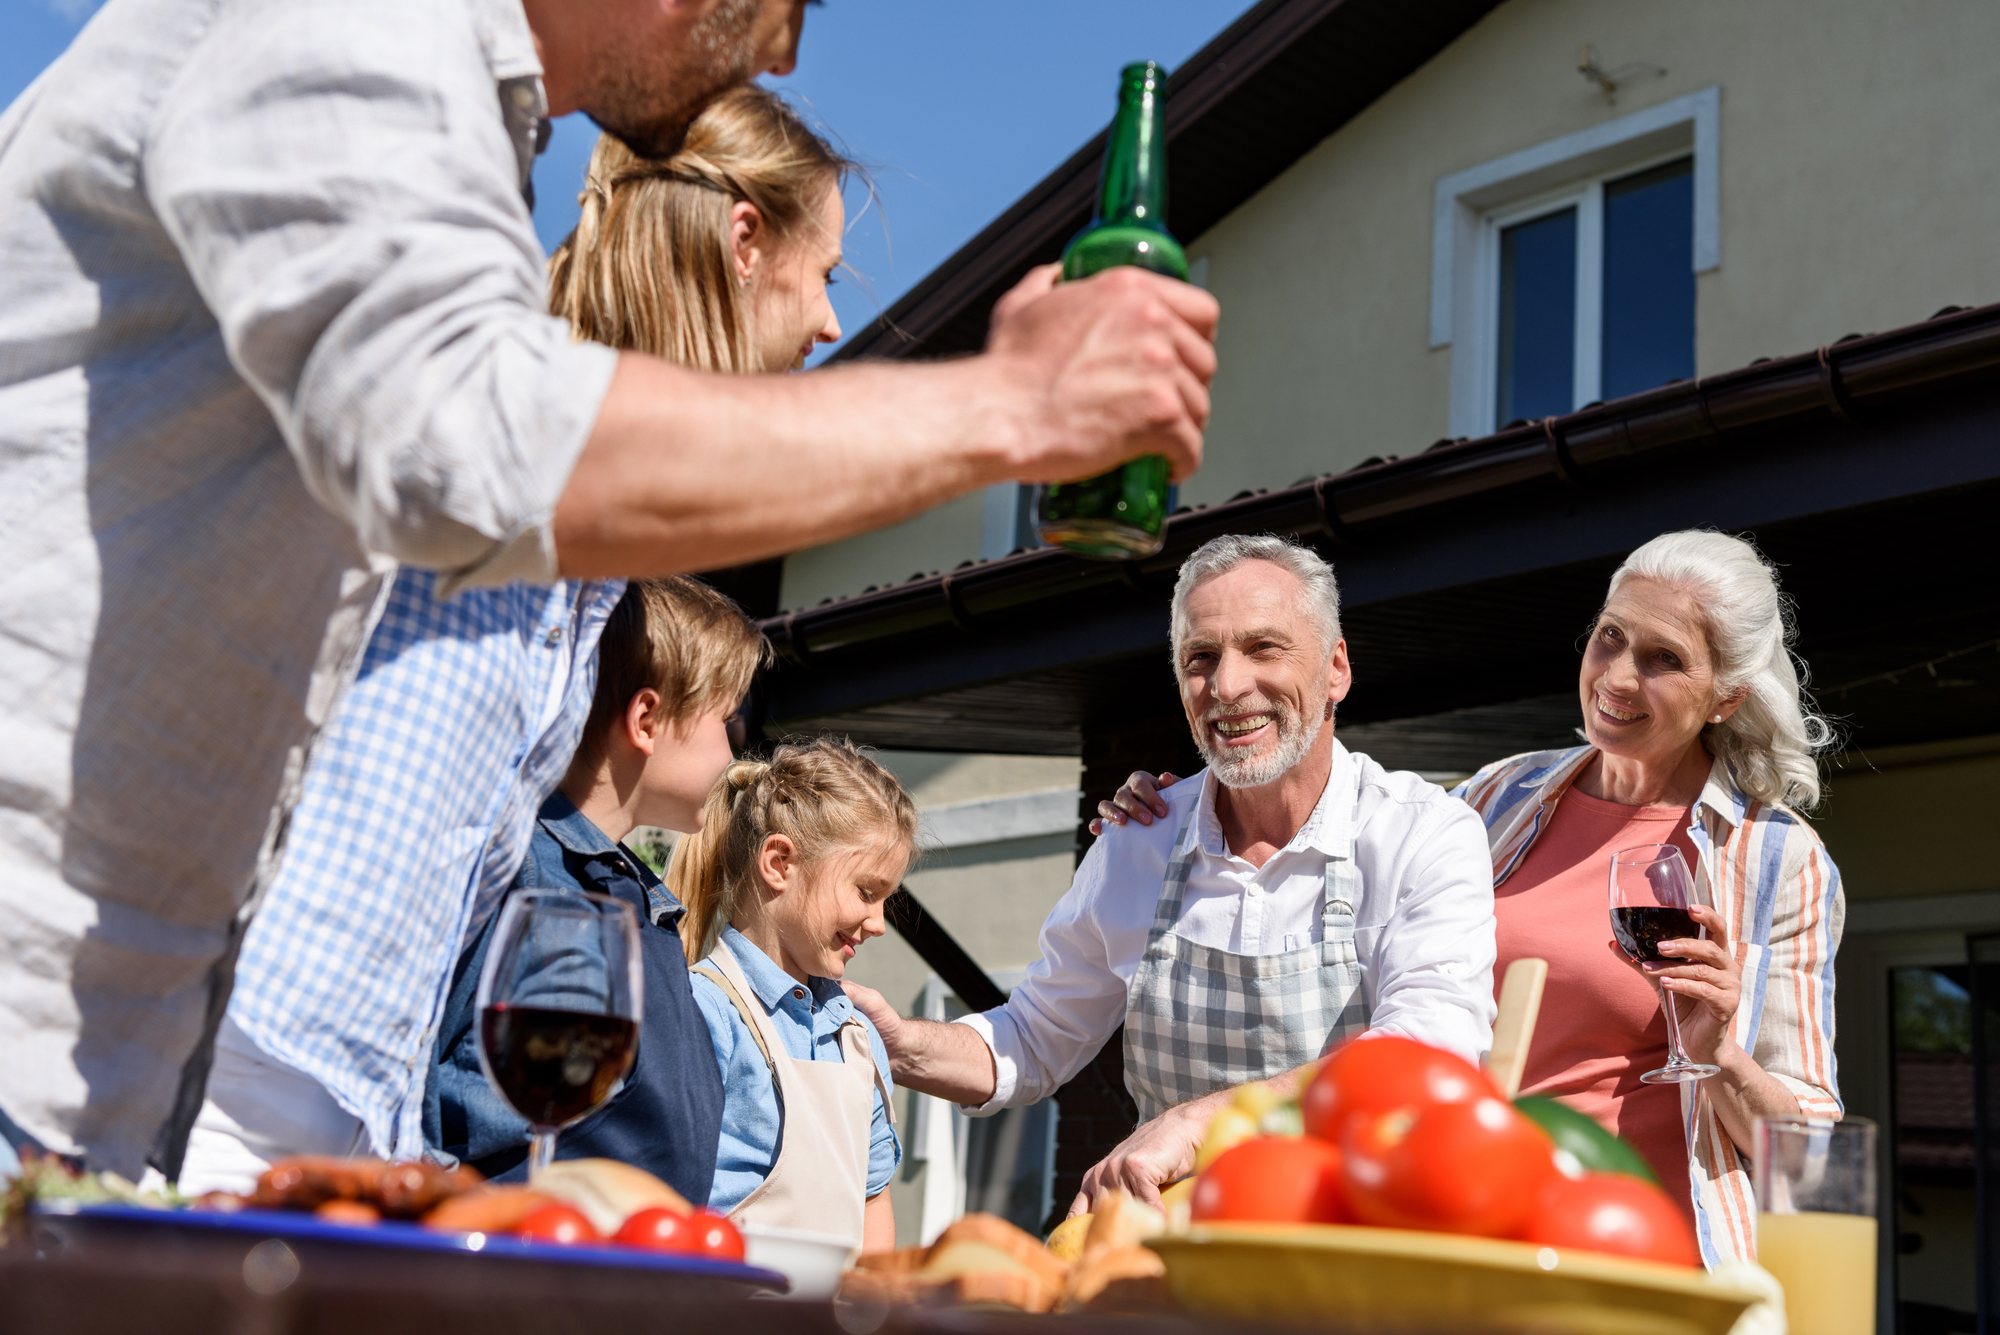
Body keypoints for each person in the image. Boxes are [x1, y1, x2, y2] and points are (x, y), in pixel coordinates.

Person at [0, 0, 1220, 1177]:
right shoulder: (359, 22)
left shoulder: (462, 142)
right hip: (104, 1050)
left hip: (171, 1079)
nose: (786, 47)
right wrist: (1009, 405)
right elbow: (462, 443)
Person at [175, 91, 854, 1192]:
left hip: (345, 1105)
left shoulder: (590, 547)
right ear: (743, 242)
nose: (829, 324)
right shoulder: (490, 413)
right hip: (223, 1077)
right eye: (824, 273)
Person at [1096, 529, 1844, 1268]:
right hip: (1467, 1237)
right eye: (1610, 637)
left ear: (1725, 698)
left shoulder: (1777, 860)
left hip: (1645, 1255)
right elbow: (1335, 823)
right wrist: (1181, 810)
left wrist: (1718, 1054)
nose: (1617, 676)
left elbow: (1810, 1158)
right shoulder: (1496, 796)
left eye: (1663, 660)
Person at [843, 535, 1498, 1215]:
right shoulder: (1139, 843)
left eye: (1263, 648)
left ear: (1335, 668)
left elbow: (1430, 1052)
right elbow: (1034, 1038)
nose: (1227, 686)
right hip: (1172, 1261)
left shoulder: (1423, 832)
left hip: (1359, 1254)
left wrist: (1202, 1120)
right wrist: (904, 1045)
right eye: (1201, 658)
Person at [426, 575, 765, 1204]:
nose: (736, 751)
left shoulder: (638, 900)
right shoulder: (527, 876)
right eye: (728, 720)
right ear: (646, 719)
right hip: (520, 1274)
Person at [673, 740, 915, 1255]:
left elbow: (873, 1200)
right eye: (867, 893)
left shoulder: (858, 1036)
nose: (878, 924)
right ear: (779, 863)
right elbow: (669, 1199)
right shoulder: (704, 1011)